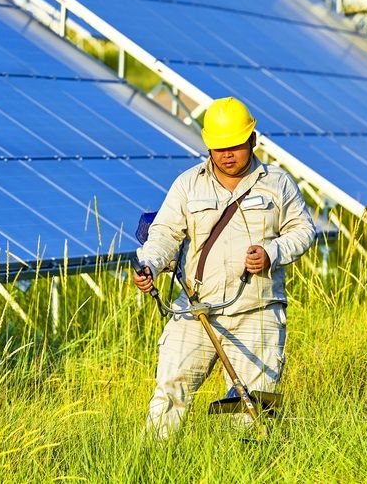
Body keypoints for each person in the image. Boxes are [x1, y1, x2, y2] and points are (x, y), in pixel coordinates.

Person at [134, 97, 316, 438]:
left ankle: (245, 466)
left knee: (252, 408)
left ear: (253, 141)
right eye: (219, 148)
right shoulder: (188, 184)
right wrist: (150, 265)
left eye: (235, 146)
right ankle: (149, 466)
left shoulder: (277, 183)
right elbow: (163, 234)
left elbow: (303, 231)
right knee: (168, 396)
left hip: (257, 312)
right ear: (208, 147)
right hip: (195, 311)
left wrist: (271, 252)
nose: (227, 155)